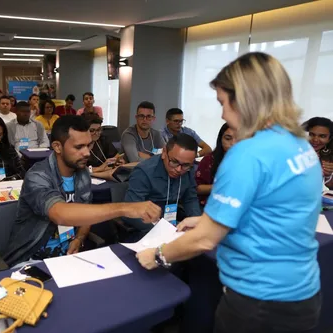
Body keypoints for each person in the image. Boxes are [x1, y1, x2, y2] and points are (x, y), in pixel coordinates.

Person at [136, 52, 323, 333]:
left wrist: (158, 254)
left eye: (224, 103)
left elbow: (204, 242)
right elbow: (273, 209)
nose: (223, 114)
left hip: (258, 300)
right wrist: (207, 219)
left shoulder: (247, 154)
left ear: (246, 101)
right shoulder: (300, 146)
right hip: (302, 292)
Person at [2, 115, 162, 266]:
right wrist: (124, 208)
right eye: (79, 147)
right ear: (57, 146)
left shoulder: (83, 173)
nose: (87, 153)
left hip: (71, 259)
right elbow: (60, 214)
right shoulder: (38, 176)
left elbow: (87, 211)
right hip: (33, 260)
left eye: (89, 145)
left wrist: (79, 238)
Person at [123, 134, 201, 233]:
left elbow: (190, 199)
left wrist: (197, 224)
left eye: (186, 165)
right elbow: (131, 211)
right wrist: (165, 229)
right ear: (164, 153)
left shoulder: (189, 171)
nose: (178, 169)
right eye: (174, 162)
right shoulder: (144, 172)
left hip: (173, 223)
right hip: (147, 227)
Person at [196, 123, 236, 206]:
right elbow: (197, 188)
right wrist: (221, 186)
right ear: (220, 140)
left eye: (237, 139)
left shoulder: (248, 161)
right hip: (211, 205)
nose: (233, 143)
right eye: (228, 139)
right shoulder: (210, 159)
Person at [305, 117, 333, 189]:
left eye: (322, 136)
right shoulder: (295, 150)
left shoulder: (327, 155)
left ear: (329, 139)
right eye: (312, 134)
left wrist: (328, 175)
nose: (315, 139)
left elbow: (330, 186)